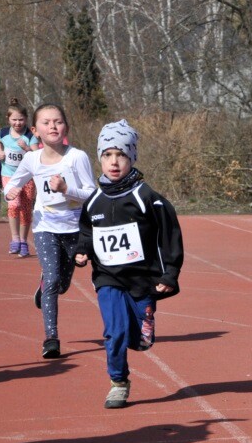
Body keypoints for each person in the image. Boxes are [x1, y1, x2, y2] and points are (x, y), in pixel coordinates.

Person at [73, 120, 184, 408]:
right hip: (107, 276)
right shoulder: (94, 200)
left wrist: (169, 274)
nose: (114, 161)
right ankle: (118, 382)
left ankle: (144, 321)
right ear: (100, 158)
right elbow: (87, 230)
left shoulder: (146, 197)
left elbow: (169, 235)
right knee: (115, 331)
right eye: (107, 155)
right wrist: (82, 250)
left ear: (131, 157)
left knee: (141, 340)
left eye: (121, 155)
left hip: (142, 278)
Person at [4, 104, 95, 359]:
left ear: (66, 127)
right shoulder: (32, 159)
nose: (53, 126)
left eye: (58, 121)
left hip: (75, 229)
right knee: (53, 281)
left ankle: (44, 286)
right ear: (35, 131)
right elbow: (12, 184)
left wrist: (66, 189)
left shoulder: (77, 157)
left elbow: (91, 194)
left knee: (61, 285)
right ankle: (51, 338)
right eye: (46, 122)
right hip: (45, 227)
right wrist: (10, 192)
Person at [0, 99, 37, 256]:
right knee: (13, 205)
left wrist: (26, 148)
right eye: (14, 120)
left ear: (26, 119)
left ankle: (24, 241)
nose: (17, 123)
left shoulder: (30, 135)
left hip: (27, 178)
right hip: (9, 176)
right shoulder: (3, 133)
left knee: (25, 209)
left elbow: (37, 155)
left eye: (21, 120)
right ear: (8, 119)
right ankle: (15, 238)